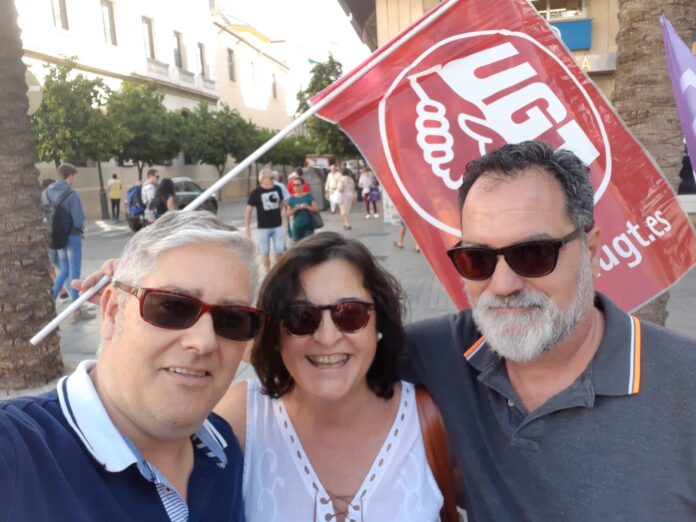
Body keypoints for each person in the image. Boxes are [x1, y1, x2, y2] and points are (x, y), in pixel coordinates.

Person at [403, 141, 696, 520]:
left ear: (591, 250)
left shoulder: (685, 385)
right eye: (477, 258)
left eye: (533, 254)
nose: (503, 285)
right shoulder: (442, 353)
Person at [0, 211, 262, 521]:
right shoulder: (18, 451)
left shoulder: (224, 448)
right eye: (172, 306)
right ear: (112, 312)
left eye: (232, 318)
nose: (204, 342)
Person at [215, 232, 445, 521]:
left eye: (350, 314)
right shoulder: (240, 418)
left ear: (379, 323)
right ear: (276, 333)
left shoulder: (430, 420)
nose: (327, 338)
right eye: (301, 318)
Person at [44, 164, 89, 319]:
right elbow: (78, 220)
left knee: (64, 269)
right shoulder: (72, 195)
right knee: (74, 271)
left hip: (56, 236)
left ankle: (51, 300)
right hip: (72, 236)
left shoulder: (45, 193)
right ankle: (76, 308)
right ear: (70, 176)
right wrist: (81, 228)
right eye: (74, 176)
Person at [245, 167, 285, 271]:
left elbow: (281, 202)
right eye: (271, 178)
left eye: (274, 178)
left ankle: (280, 271)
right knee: (265, 252)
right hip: (263, 227)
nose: (273, 180)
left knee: (280, 250)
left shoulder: (277, 189)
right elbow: (248, 210)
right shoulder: (256, 192)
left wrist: (279, 211)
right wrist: (247, 228)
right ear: (263, 179)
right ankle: (267, 272)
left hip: (277, 225)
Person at [287, 176, 318, 241]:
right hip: (297, 226)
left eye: (298, 185)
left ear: (302, 186)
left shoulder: (308, 196)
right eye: (294, 185)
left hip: (308, 226)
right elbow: (288, 214)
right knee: (298, 245)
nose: (296, 187)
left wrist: (307, 207)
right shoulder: (291, 199)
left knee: (309, 243)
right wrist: (295, 209)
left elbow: (316, 209)